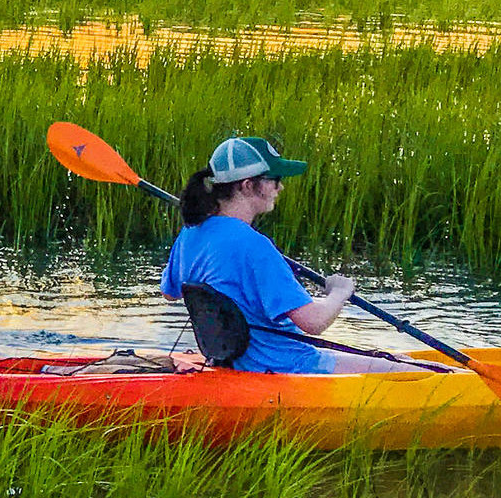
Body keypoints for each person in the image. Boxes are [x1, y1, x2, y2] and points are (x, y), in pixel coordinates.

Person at [160, 137, 393, 374]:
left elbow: (170, 293)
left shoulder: (191, 233)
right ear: (247, 185)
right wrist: (339, 293)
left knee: (400, 359)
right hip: (285, 366)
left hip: (230, 364)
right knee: (408, 372)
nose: (280, 188)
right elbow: (314, 322)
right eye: (275, 180)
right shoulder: (255, 246)